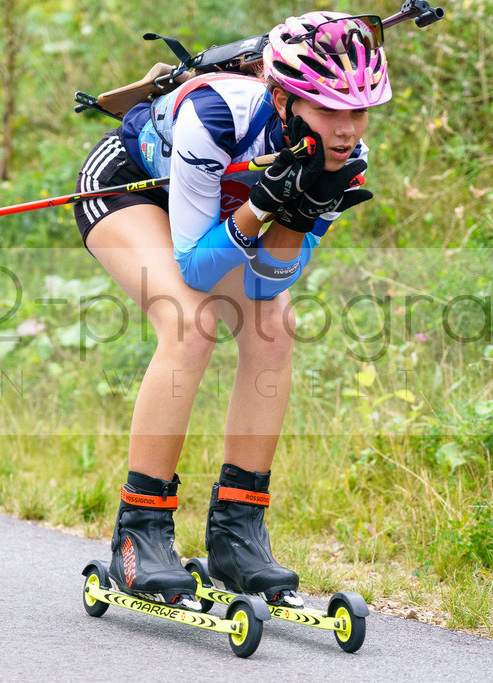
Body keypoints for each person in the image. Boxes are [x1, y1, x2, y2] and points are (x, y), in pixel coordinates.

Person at [73, 11, 391, 609]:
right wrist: (257, 209)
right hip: (131, 186)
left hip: (221, 208)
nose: (347, 130)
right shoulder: (215, 115)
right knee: (190, 324)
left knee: (274, 329)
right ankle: (139, 531)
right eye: (329, 110)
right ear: (283, 97)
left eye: (359, 111)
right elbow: (195, 267)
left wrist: (298, 213)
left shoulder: (347, 157)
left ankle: (237, 533)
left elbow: (271, 282)